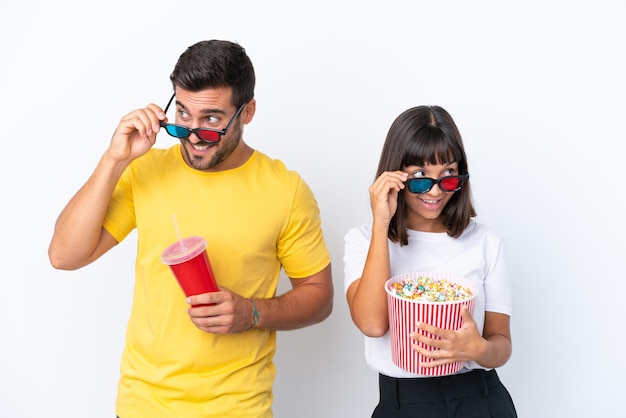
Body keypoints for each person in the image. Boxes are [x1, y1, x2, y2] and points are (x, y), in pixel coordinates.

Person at [48, 40, 333, 418]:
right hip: (143, 405)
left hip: (238, 409)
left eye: (212, 119)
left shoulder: (286, 190)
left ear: (247, 112)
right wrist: (114, 159)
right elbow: (64, 256)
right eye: (182, 115)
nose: (194, 135)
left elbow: (319, 297)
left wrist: (252, 313)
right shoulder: (145, 169)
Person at [343, 105, 517, 417]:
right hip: (403, 403)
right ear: (394, 176)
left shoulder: (486, 242)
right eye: (421, 178)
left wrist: (480, 349)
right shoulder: (363, 240)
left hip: (480, 399)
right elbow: (372, 324)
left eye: (448, 176)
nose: (435, 191)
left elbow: (501, 343)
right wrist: (381, 223)